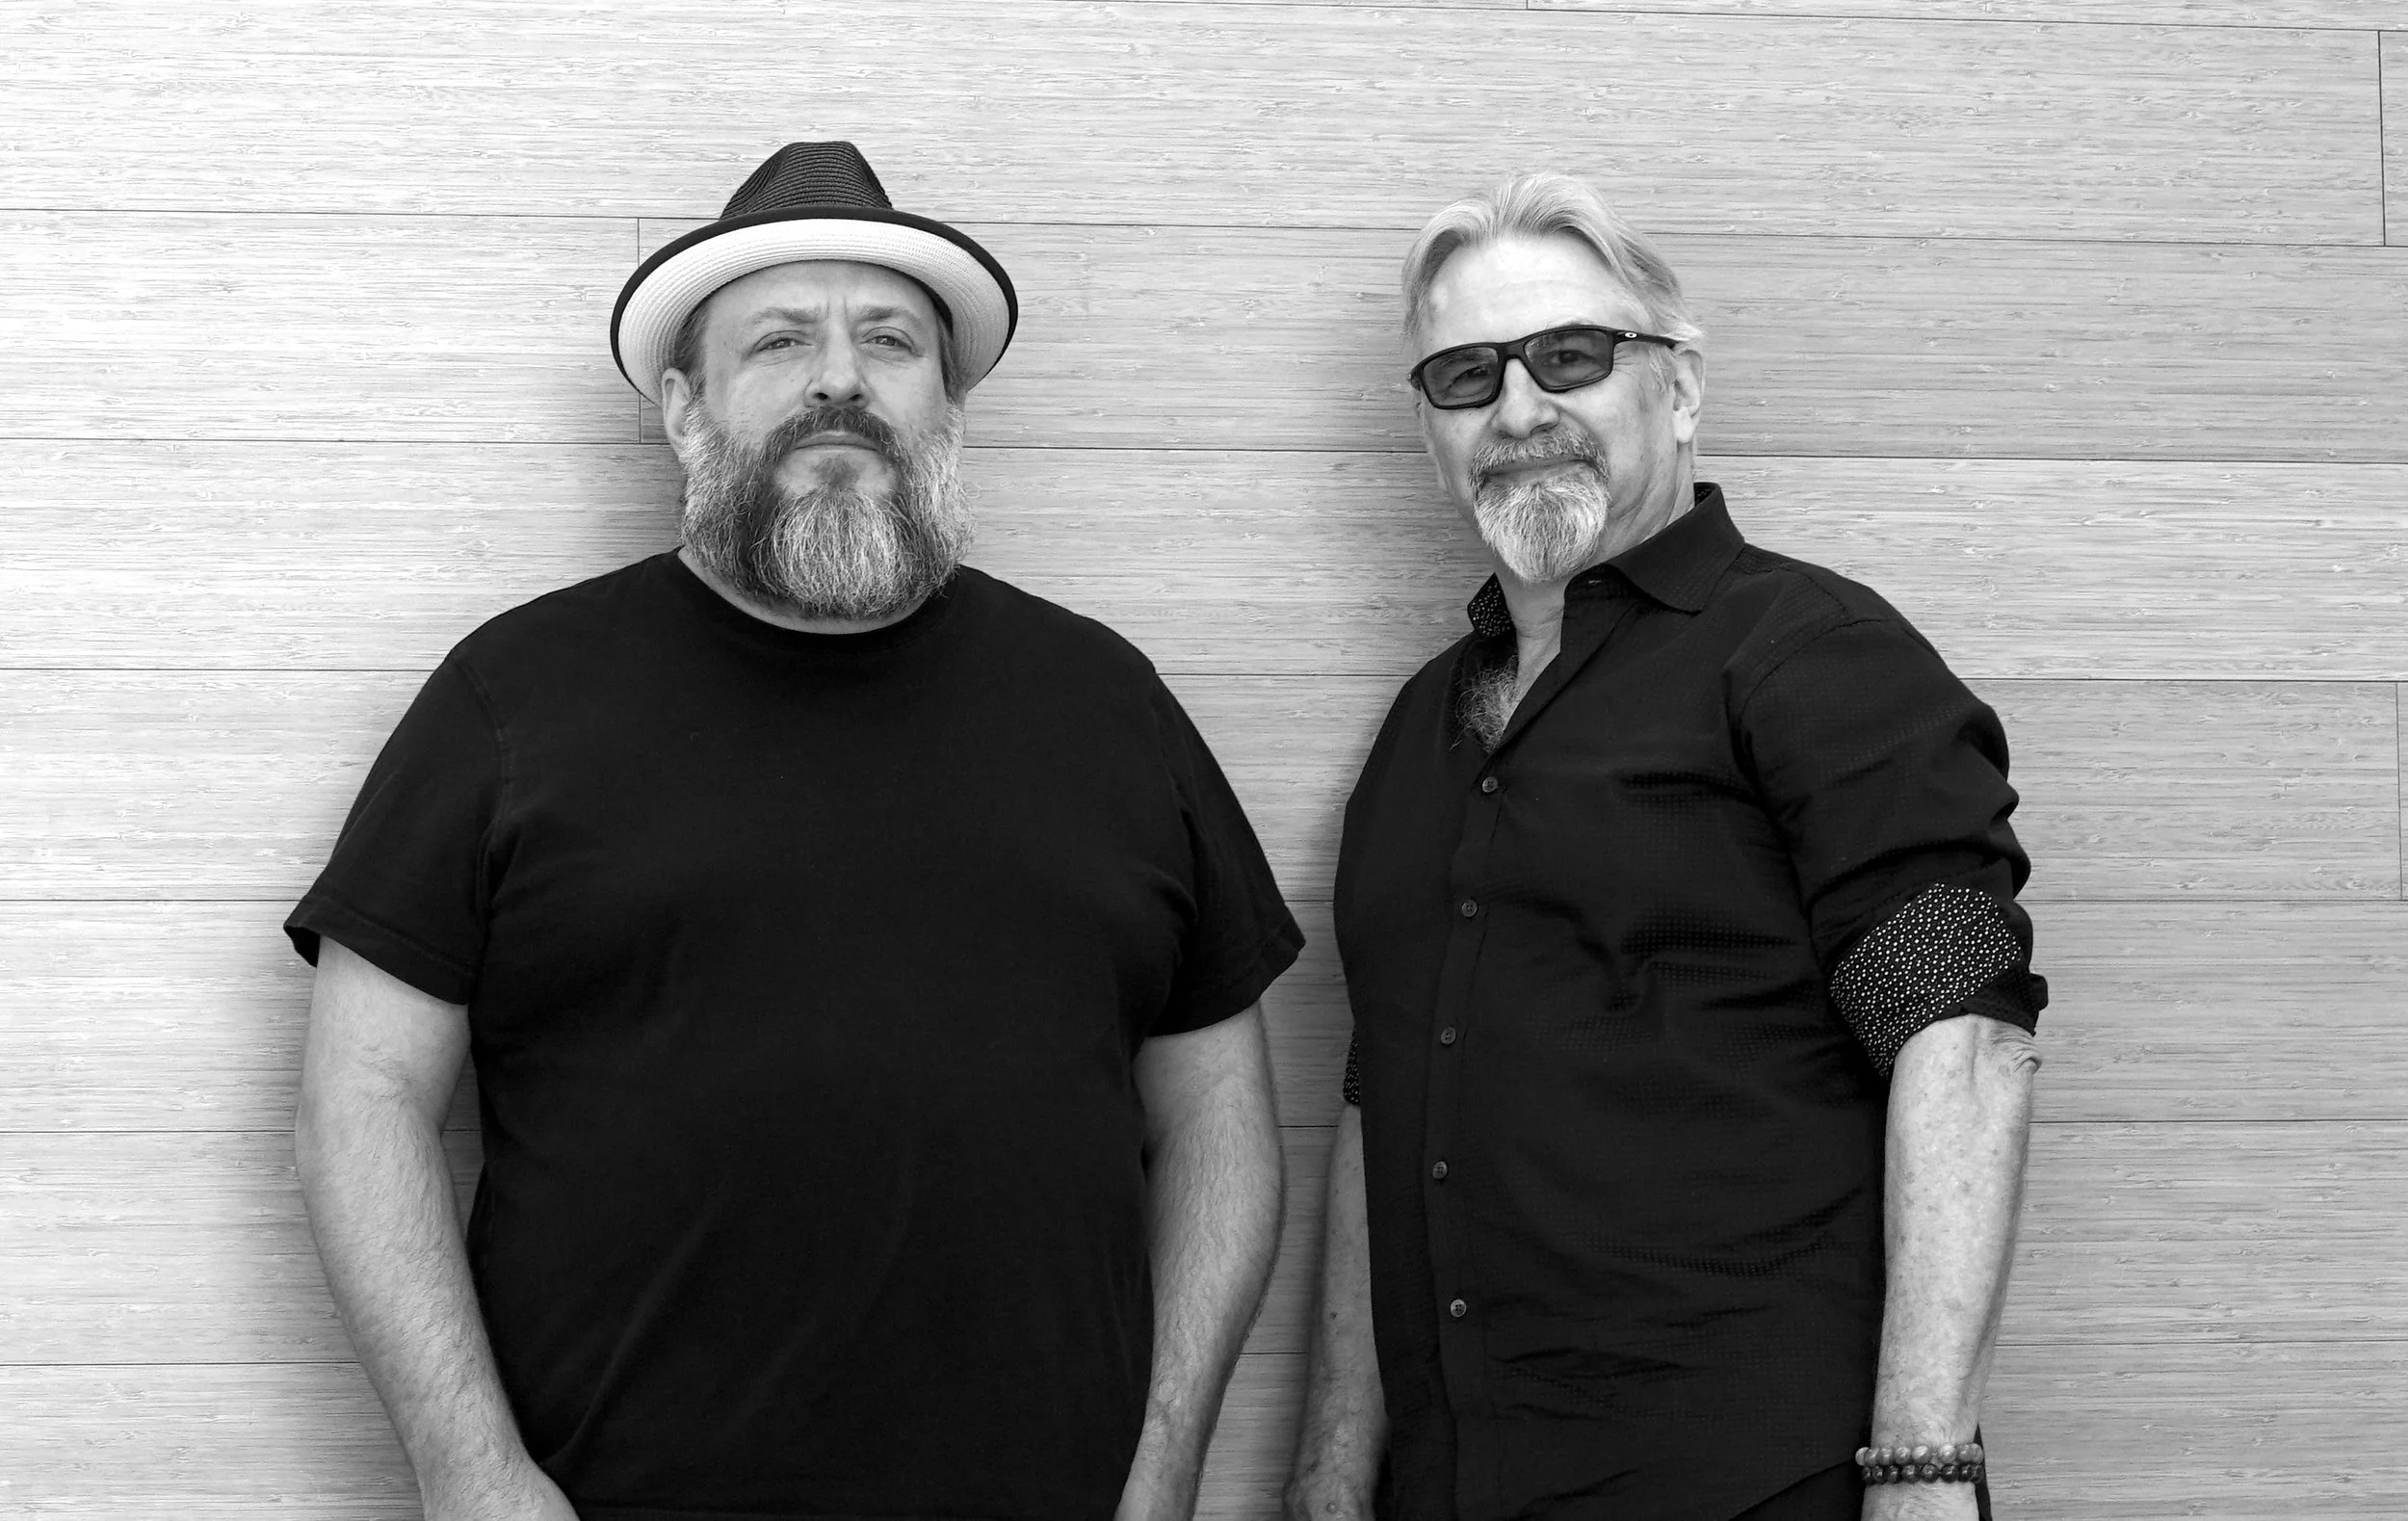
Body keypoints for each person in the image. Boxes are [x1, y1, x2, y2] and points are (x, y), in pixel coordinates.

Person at [289, 142, 1300, 1521]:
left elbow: (1224, 1117)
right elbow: (362, 1098)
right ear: (682, 405)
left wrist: (1167, 1463)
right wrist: (471, 1475)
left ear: (947, 403)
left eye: (889, 338)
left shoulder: (1108, 702)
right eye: (780, 339)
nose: (841, 376)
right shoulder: (510, 698)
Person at [1284, 172, 2044, 1521]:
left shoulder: (1815, 656)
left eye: (1569, 356)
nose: (1520, 411)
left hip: (1757, 1486)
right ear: (1431, 433)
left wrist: (1926, 1474)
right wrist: (1331, 1485)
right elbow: (1379, 1113)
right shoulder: (1416, 732)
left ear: (1676, 390)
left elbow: (1960, 1031)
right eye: (1467, 376)